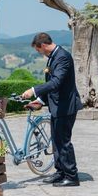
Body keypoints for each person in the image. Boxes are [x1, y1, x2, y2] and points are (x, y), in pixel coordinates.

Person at [21, 32, 83, 187]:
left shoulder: (62, 57)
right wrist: (41, 100)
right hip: (57, 106)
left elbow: (56, 83)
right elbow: (53, 87)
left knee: (63, 142)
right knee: (56, 141)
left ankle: (71, 176)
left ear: (42, 46)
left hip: (66, 106)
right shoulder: (53, 57)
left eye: (38, 49)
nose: (39, 52)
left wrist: (34, 90)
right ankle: (60, 172)